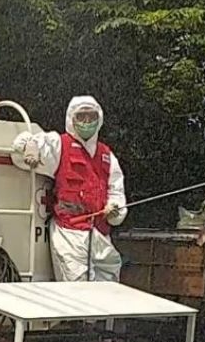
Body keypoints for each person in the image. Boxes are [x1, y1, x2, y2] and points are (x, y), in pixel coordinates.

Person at [11, 95, 127, 282]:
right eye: (81, 117)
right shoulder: (60, 146)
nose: (87, 122)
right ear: (71, 119)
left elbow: (116, 191)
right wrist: (29, 146)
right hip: (70, 233)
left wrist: (115, 210)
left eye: (91, 117)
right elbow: (23, 150)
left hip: (100, 235)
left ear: (100, 119)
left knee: (108, 293)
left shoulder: (107, 155)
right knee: (77, 292)